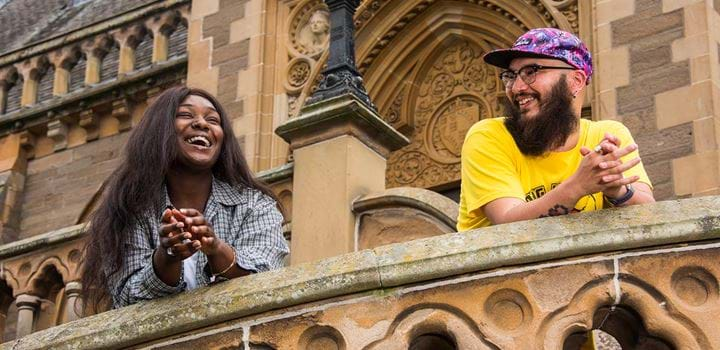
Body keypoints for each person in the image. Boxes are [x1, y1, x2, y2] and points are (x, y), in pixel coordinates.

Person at [81, 86, 289, 309]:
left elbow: (267, 277)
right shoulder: (129, 210)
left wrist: (216, 248)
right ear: (160, 130)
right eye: (186, 115)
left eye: (213, 120)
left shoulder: (254, 205)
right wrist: (167, 256)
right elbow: (127, 298)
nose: (202, 124)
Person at [457, 28, 655, 231]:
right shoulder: (489, 136)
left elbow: (652, 217)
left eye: (531, 71)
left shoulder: (607, 136)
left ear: (575, 81)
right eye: (511, 76)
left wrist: (617, 190)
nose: (516, 88)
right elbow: (508, 224)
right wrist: (579, 185)